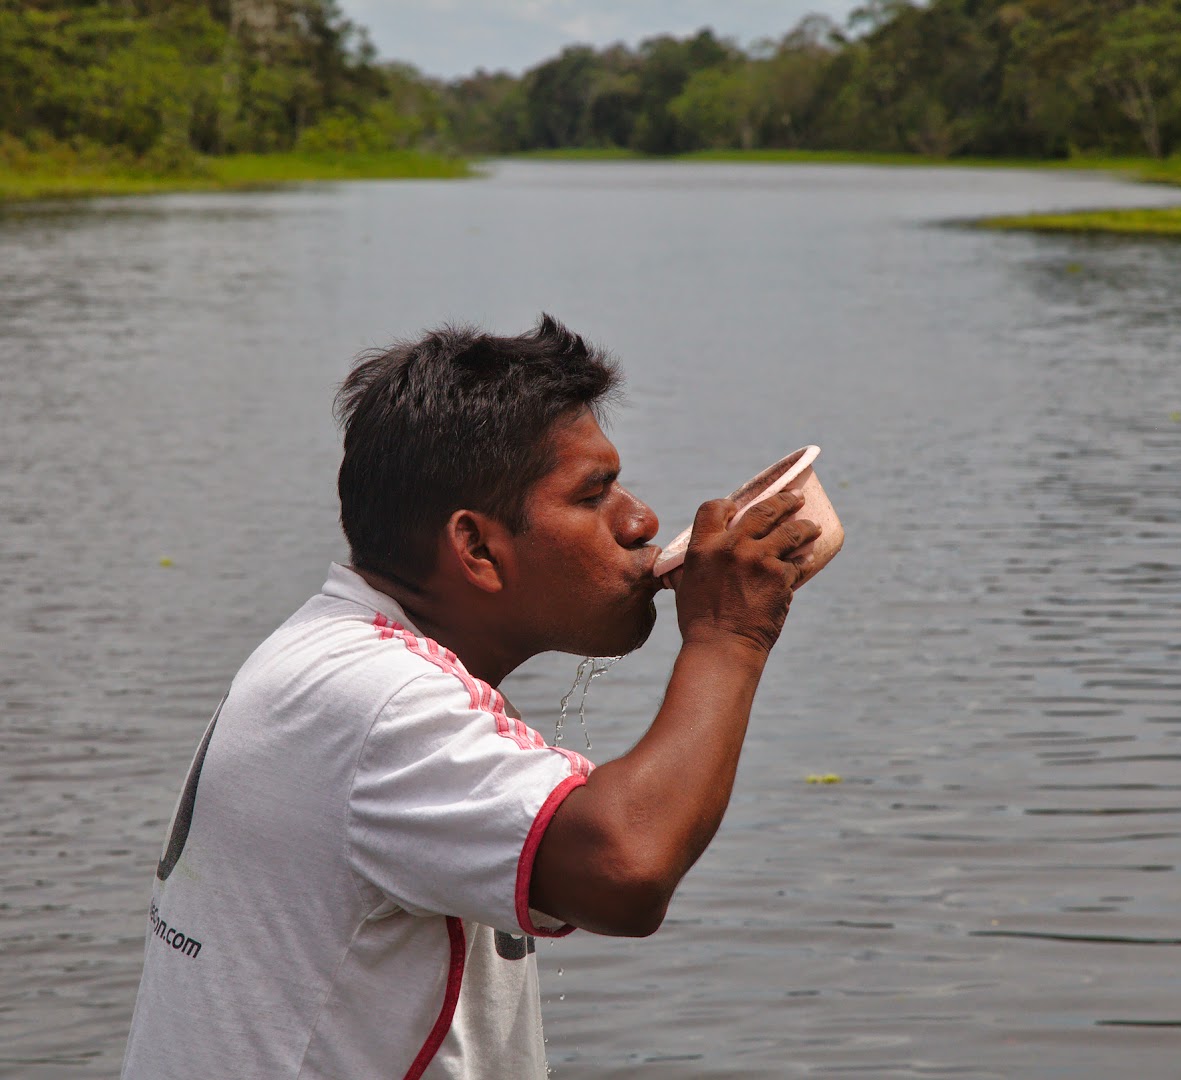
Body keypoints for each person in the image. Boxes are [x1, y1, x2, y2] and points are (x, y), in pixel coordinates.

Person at [121, 315, 819, 1079]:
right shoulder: (375, 698)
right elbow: (624, 867)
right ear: (478, 548)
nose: (641, 520)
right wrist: (728, 638)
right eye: (594, 495)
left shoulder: (333, 658)